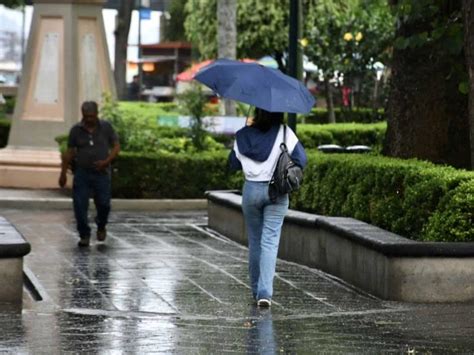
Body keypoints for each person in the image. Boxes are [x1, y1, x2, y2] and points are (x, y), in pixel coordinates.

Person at [228, 108, 307, 307]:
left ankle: (256, 290)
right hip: (276, 191)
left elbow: (232, 164)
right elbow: (301, 160)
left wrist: (246, 133)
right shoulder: (284, 132)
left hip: (250, 191)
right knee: (270, 241)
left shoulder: (242, 135)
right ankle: (265, 293)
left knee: (255, 241)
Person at [59, 101, 120, 247]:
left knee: (104, 204)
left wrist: (106, 161)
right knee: (79, 205)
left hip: (102, 173)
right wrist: (63, 173)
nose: (89, 119)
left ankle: (101, 225)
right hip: (82, 173)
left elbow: (116, 146)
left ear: (97, 114)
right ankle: (84, 234)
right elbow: (70, 152)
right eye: (86, 116)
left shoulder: (106, 127)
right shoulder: (76, 130)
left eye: (91, 116)